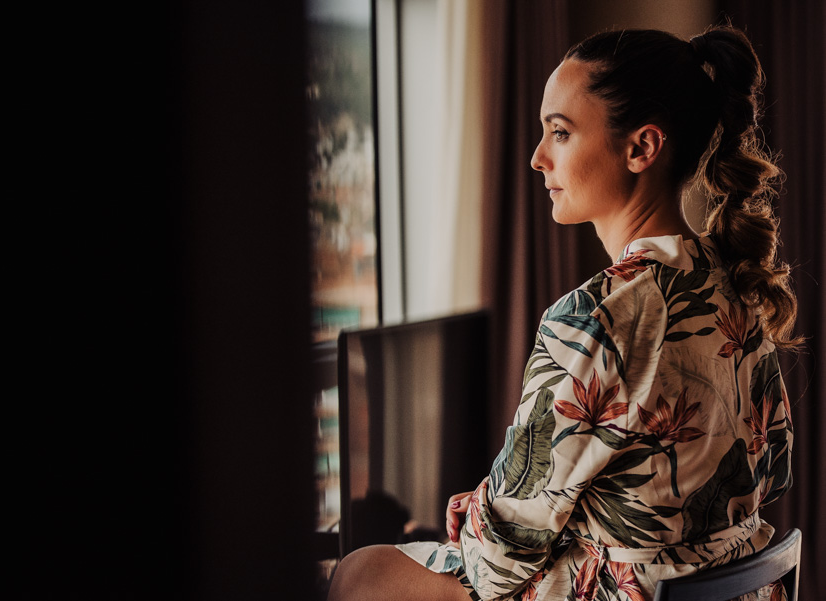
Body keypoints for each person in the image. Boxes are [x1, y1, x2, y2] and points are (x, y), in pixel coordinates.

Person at [327, 26, 797, 601]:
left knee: (361, 572)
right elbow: (771, 467)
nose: (537, 157)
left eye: (560, 132)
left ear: (641, 148)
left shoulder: (596, 319)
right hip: (735, 586)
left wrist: (485, 513)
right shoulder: (738, 284)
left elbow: (496, 561)